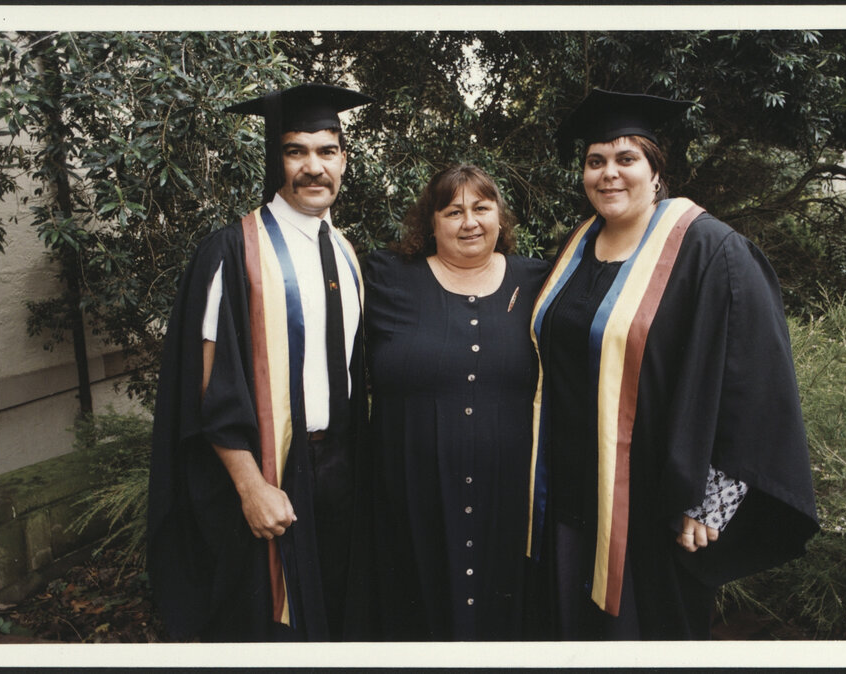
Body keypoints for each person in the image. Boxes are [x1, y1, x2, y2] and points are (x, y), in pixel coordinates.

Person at [525, 89, 819, 639]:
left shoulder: (709, 249)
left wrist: (713, 499)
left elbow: (755, 380)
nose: (609, 174)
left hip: (652, 510)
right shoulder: (577, 246)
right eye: (595, 161)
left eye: (626, 158)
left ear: (656, 170)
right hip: (567, 500)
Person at [147, 83, 375, 642]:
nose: (314, 167)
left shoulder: (346, 252)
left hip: (339, 475)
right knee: (268, 630)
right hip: (267, 477)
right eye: (297, 151)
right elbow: (208, 386)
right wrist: (251, 488)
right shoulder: (232, 252)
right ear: (276, 159)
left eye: (327, 151)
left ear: (344, 160)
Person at [363, 165, 550, 640]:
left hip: (509, 504)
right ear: (431, 221)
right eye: (453, 211)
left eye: (481, 208)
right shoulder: (384, 278)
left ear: (500, 217)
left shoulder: (539, 282)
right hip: (409, 502)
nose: (469, 222)